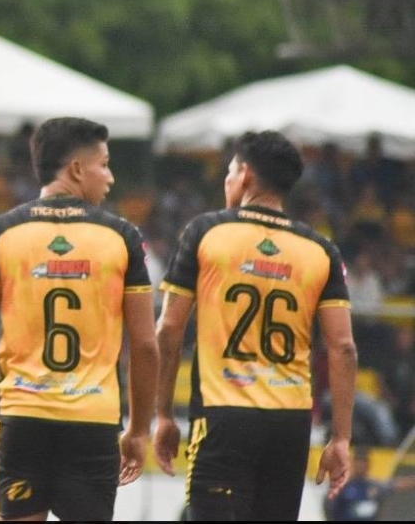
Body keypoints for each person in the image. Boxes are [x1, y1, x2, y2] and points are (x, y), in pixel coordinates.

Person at [0, 117, 159, 521]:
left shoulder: (1, 232)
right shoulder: (122, 237)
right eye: (104, 164)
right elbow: (143, 344)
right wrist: (139, 430)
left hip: (23, 419)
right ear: (76, 169)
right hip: (93, 422)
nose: (110, 177)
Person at [153, 130, 358, 521]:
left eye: (230, 171)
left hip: (223, 414)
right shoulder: (321, 250)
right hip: (291, 421)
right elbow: (343, 347)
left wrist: (163, 415)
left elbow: (169, 330)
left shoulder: (205, 232)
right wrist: (341, 438)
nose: (227, 180)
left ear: (245, 173)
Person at [324, 446, 415, 521]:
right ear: (353, 463)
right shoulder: (342, 485)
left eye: (364, 462)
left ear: (369, 465)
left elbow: (397, 485)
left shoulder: (374, 485)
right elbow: (329, 508)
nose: (361, 466)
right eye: (358, 462)